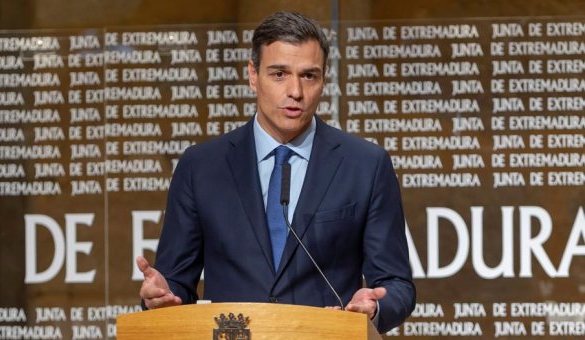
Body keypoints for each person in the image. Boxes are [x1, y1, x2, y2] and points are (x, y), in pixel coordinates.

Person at [136, 11, 415, 333]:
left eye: (309, 76)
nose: (295, 91)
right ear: (253, 75)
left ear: (324, 80)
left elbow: (397, 284)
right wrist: (159, 297)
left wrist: (376, 306)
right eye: (279, 74)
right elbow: (175, 285)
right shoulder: (200, 167)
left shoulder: (365, 164)